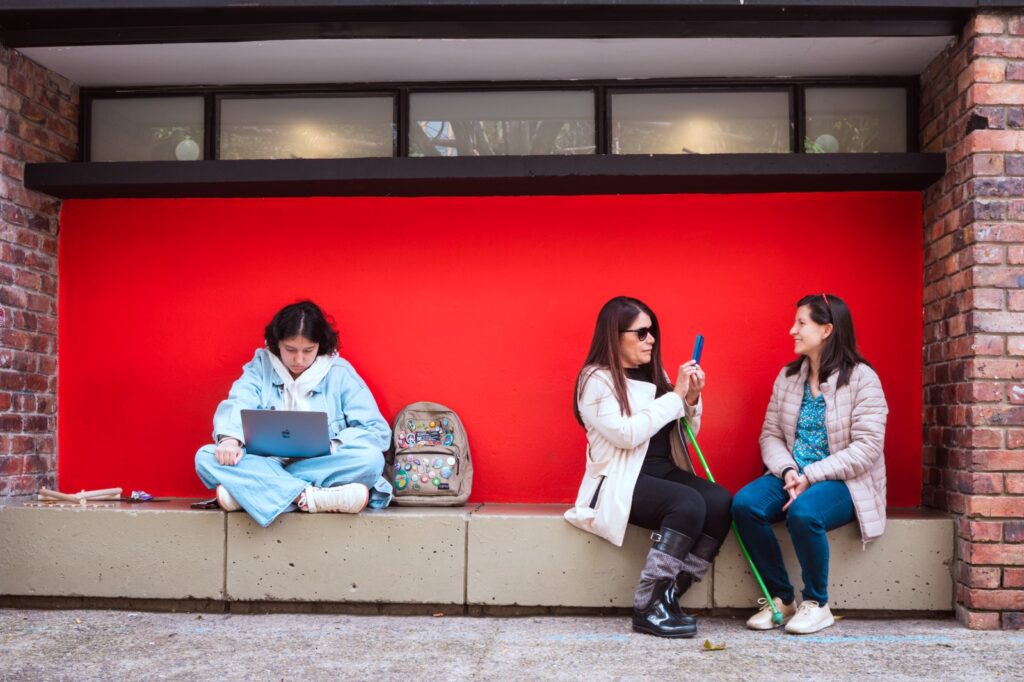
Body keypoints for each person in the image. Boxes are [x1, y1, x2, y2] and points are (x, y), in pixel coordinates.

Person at [565, 296, 732, 639]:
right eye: (641, 333)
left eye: (652, 332)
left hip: (660, 470)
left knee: (719, 501)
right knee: (686, 503)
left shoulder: (656, 375)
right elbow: (627, 435)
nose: (651, 340)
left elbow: (684, 436)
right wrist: (675, 398)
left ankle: (669, 596)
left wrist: (691, 400)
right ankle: (647, 606)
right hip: (620, 479)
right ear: (616, 336)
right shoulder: (595, 380)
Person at [731, 293, 887, 634]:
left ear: (827, 330)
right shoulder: (789, 378)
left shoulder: (863, 379)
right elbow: (770, 435)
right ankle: (781, 600)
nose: (792, 331)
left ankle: (817, 603)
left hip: (846, 481)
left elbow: (868, 448)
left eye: (801, 323)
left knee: (805, 513)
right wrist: (789, 471)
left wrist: (811, 476)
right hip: (792, 474)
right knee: (745, 505)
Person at [194, 300, 393, 527]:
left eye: (308, 350)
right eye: (290, 350)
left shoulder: (340, 373)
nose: (299, 360)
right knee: (206, 457)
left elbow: (377, 432)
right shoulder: (261, 366)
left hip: (319, 464)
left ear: (321, 345)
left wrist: (334, 444)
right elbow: (240, 399)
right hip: (265, 461)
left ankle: (252, 493)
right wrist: (230, 439)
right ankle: (307, 497)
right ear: (276, 343)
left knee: (371, 460)